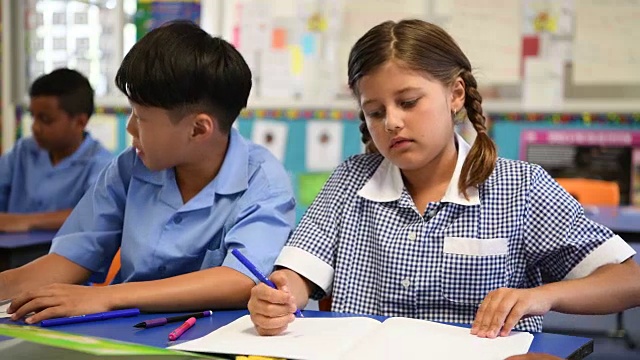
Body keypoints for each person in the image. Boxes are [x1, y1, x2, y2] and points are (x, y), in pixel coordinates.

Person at [247, 19, 640, 339]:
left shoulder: (520, 188)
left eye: (408, 102)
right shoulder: (349, 182)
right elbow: (297, 276)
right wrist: (280, 298)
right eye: (375, 111)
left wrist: (543, 297)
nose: (393, 122)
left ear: (455, 94)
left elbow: (628, 280)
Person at [1, 21, 295, 324]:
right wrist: (6, 284)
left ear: (198, 128)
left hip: (215, 341)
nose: (130, 128)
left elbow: (241, 279)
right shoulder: (129, 168)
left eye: (140, 117)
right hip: (127, 333)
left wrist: (106, 296)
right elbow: (71, 257)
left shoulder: (263, 181)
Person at [0, 68, 112, 232]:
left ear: (80, 122)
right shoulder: (22, 151)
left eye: (46, 120)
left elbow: (93, 213)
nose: (35, 127)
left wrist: (25, 221)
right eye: (33, 117)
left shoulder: (101, 164)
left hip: (61, 254)